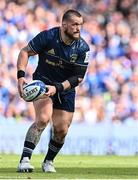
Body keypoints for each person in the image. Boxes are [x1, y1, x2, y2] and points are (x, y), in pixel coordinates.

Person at [17, 9, 90, 173]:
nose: (79, 28)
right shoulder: (48, 37)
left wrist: (57, 88)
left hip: (65, 89)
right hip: (43, 83)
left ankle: (48, 161)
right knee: (42, 119)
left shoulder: (83, 48)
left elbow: (78, 78)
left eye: (80, 25)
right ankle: (25, 160)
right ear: (64, 25)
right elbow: (25, 51)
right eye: (75, 24)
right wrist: (21, 76)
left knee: (61, 130)